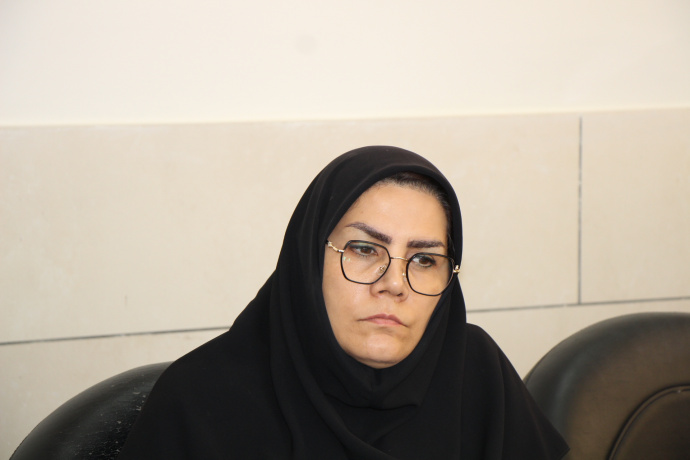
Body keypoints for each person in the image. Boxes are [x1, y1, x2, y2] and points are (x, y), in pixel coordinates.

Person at [119, 146, 568, 459]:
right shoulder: (200, 403)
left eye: (424, 259)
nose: (394, 284)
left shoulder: (475, 372)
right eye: (365, 250)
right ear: (308, 259)